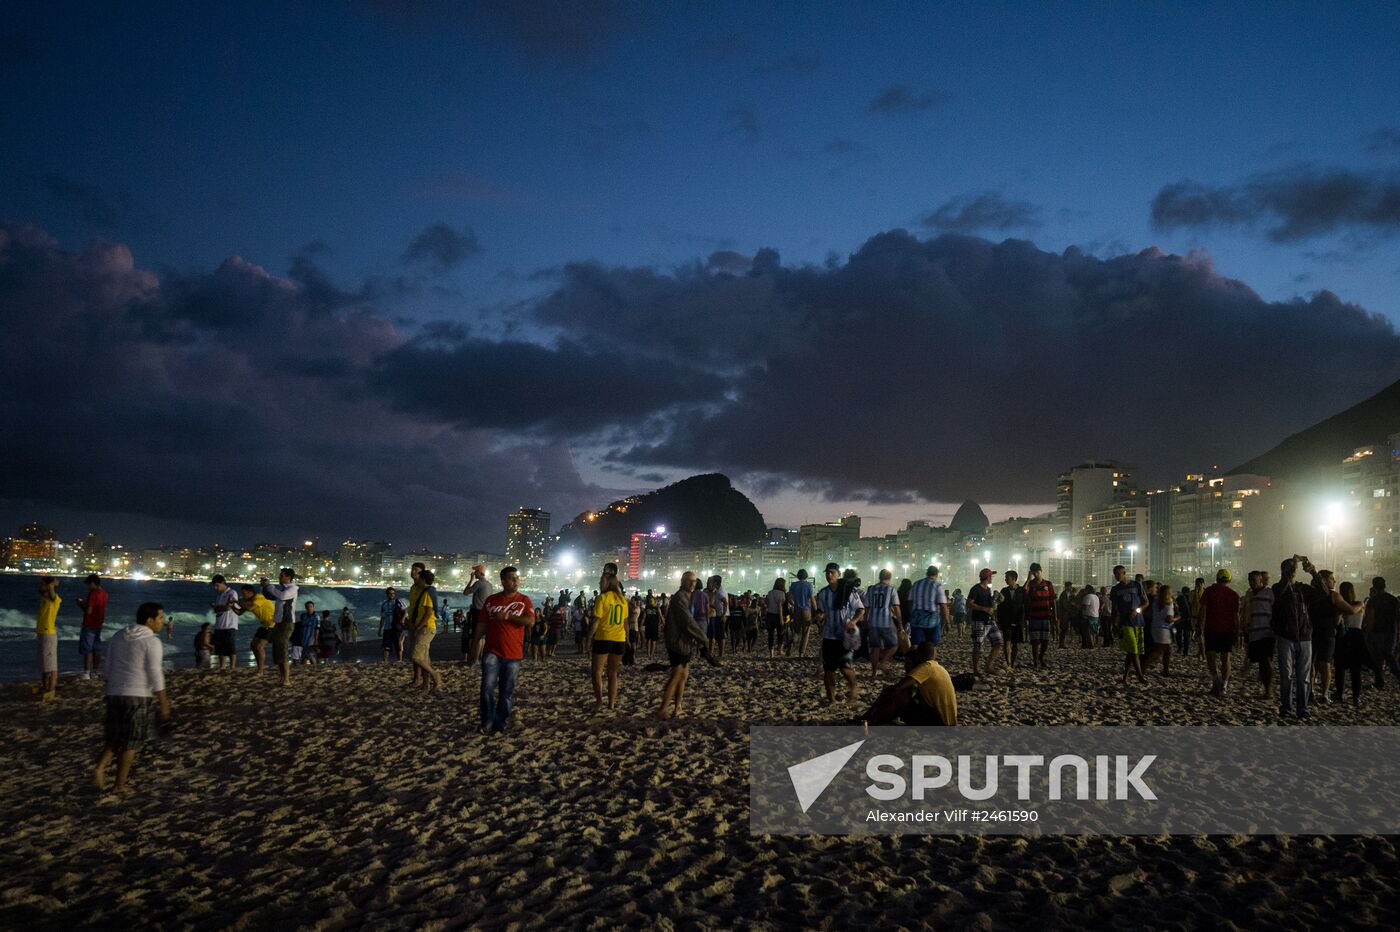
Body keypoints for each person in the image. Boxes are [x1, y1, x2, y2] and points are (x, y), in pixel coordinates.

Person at [93, 602, 171, 796]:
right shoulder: (152, 641)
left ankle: (100, 768)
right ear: (149, 620)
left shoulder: (119, 636)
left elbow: (108, 666)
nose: (162, 622)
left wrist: (112, 687)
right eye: (160, 618)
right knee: (131, 742)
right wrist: (163, 702)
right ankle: (119, 784)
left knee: (115, 736)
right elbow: (155, 672)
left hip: (114, 692)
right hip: (137, 694)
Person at [478, 566, 533, 735]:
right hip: (492, 651)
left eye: (517, 578)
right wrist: (474, 645)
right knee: (486, 688)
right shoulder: (491, 601)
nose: (516, 581)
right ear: (503, 582)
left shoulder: (524, 600)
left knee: (506, 692)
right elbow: (482, 624)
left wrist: (508, 616)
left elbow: (530, 621)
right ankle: (487, 722)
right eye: (512, 578)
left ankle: (499, 723)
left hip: (513, 654)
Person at [658, 571, 718, 720]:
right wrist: (703, 638)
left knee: (683, 674)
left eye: (695, 581)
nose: (693, 583)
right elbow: (687, 622)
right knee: (677, 674)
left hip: (684, 641)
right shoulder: (680, 598)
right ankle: (663, 708)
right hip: (677, 642)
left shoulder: (687, 597)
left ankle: (678, 707)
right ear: (683, 581)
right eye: (690, 581)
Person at [855, 642, 960, 726]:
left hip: (940, 722)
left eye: (907, 663)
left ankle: (870, 721)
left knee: (897, 695)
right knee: (902, 696)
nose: (905, 667)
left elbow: (899, 687)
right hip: (947, 720)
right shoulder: (937, 667)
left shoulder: (926, 668)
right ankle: (869, 718)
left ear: (919, 655)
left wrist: (884, 696)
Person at [1272, 556, 1314, 719]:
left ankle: (1303, 708)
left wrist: (1313, 571)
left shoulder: (1303, 589)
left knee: (1303, 677)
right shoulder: (1278, 587)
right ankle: (1286, 706)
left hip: (1304, 637)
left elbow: (1323, 593)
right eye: (1290, 568)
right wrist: (1288, 575)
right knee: (1286, 675)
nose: (1293, 571)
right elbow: (1280, 591)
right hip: (1286, 636)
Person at [816, 564, 865, 704]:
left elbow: (861, 609)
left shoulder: (848, 591)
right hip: (829, 635)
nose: (829, 575)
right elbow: (821, 611)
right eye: (827, 573)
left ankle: (854, 687)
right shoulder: (823, 593)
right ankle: (831, 700)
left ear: (838, 574)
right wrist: (819, 616)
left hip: (845, 636)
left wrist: (853, 622)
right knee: (828, 670)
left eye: (832, 572)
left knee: (845, 667)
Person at [1304, 558, 1349, 704]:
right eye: (1331, 579)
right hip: (1327, 633)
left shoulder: (1309, 594)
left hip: (1311, 632)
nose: (1334, 581)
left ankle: (1310, 692)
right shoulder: (1333, 595)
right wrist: (1359, 606)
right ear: (1323, 580)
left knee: (1311, 665)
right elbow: (1348, 610)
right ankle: (1324, 694)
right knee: (1325, 664)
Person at [588, 562, 632, 712]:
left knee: (596, 672)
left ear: (609, 583)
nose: (600, 582)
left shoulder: (602, 598)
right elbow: (626, 622)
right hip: (619, 640)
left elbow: (596, 621)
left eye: (602, 580)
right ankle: (611, 703)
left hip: (603, 638)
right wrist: (627, 640)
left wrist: (588, 637)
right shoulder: (622, 600)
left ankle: (599, 701)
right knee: (613, 673)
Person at [1199, 569, 1241, 697]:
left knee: (1210, 657)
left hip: (1211, 629)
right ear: (1228, 580)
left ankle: (1216, 680)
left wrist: (1199, 627)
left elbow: (1203, 611)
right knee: (1226, 658)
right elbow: (1236, 616)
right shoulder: (1234, 594)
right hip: (1228, 630)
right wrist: (1238, 632)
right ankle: (1224, 686)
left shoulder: (1208, 591)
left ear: (1217, 579)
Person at [1109, 565, 1148, 686]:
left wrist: (1137, 610)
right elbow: (1114, 608)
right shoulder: (1115, 589)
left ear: (1124, 573)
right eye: (1115, 574)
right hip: (1125, 623)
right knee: (1133, 650)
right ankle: (1140, 676)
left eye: (1118, 574)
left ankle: (1125, 677)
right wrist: (1114, 623)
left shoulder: (1136, 585)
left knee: (1131, 652)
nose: (1116, 576)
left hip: (1138, 621)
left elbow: (1146, 602)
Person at [261, 569, 299, 686]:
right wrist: (264, 586)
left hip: (286, 623)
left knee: (282, 649)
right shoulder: (282, 588)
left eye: (281, 575)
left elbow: (282, 596)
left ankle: (286, 679)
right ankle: (282, 678)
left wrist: (269, 586)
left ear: (288, 577)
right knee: (277, 650)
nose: (279, 577)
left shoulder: (292, 588)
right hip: (278, 622)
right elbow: (269, 596)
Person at [1332, 581, 1368, 706]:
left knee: (1340, 667)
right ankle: (1355, 696)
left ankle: (1340, 693)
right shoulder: (1360, 604)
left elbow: (1336, 622)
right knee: (1355, 669)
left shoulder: (1340, 606)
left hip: (1343, 635)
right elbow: (1363, 620)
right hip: (1356, 635)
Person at [1243, 571, 1276, 697]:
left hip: (1267, 632)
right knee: (1260, 663)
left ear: (1261, 580)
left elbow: (1275, 609)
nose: (1251, 583)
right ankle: (1266, 688)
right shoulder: (1250, 594)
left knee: (1265, 660)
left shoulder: (1269, 593)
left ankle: (1268, 690)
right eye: (1250, 580)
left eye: (1254, 580)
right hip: (1254, 633)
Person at [409, 569, 443, 690]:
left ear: (423, 579)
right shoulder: (427, 591)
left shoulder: (427, 593)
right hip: (426, 627)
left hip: (426, 628)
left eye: (419, 577)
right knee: (424, 657)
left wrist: (418, 628)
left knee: (416, 657)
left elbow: (428, 613)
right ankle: (426, 684)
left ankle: (435, 675)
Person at [907, 565, 951, 658]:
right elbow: (943, 605)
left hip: (917, 618)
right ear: (937, 574)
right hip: (932, 619)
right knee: (932, 644)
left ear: (927, 573)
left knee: (915, 644)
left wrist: (912, 613)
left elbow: (910, 601)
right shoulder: (937, 586)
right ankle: (930, 663)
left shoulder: (916, 584)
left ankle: (913, 663)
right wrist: (947, 622)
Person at [864, 569, 902, 675]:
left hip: (873, 622)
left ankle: (874, 672)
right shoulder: (891, 590)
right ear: (889, 578)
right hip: (886, 622)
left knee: (875, 647)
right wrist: (900, 623)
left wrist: (866, 621)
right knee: (894, 645)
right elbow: (897, 607)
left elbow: (866, 607)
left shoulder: (871, 589)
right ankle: (884, 662)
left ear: (879, 577)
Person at [966, 568, 1003, 675]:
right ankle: (976, 670)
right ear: (987, 577)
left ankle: (988, 666)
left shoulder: (988, 589)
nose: (992, 578)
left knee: (998, 642)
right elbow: (969, 603)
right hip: (979, 621)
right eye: (991, 576)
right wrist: (984, 609)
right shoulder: (976, 589)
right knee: (978, 646)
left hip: (990, 621)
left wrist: (996, 600)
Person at [1365, 577, 1400, 688]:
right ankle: (1397, 673)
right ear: (1385, 585)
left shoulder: (1373, 600)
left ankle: (1379, 681)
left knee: (1377, 657)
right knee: (1389, 654)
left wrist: (1367, 632)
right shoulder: (1394, 600)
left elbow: (1371, 617)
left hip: (1377, 631)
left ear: (1374, 585)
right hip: (1391, 631)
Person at [237, 584, 276, 674]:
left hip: (273, 624)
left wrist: (238, 601)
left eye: (244, 593)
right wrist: (231, 605)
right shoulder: (249, 601)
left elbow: (250, 608)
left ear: (250, 592)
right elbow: (239, 613)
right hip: (264, 625)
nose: (243, 596)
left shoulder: (259, 598)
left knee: (259, 646)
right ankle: (260, 668)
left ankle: (260, 670)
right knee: (253, 645)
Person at [1024, 564, 1056, 669]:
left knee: (1045, 641)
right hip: (1034, 617)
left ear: (1041, 571)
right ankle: (1035, 660)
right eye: (1034, 572)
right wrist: (1028, 579)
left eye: (1037, 572)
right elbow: (1024, 592)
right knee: (1035, 641)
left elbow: (1052, 600)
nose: (1036, 574)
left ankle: (1041, 657)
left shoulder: (1048, 584)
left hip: (1046, 616)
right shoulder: (1031, 585)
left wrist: (1055, 616)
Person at [77, 574, 108, 680]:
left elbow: (89, 611)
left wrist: (80, 605)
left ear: (92, 583)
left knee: (87, 649)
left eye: (88, 585)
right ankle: (95, 672)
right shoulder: (104, 593)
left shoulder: (93, 593)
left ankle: (86, 672)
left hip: (89, 624)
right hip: (98, 624)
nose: (88, 587)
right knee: (96, 649)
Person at [463, 564, 494, 665]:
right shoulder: (489, 584)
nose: (474, 573)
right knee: (482, 637)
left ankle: (475, 659)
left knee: (476, 637)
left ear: (480, 573)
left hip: (477, 612)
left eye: (475, 572)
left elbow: (465, 592)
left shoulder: (478, 583)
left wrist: (471, 580)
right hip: (486, 612)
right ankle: (478, 658)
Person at [35, 575, 60, 700]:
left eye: (41, 584)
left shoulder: (53, 599)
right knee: (44, 663)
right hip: (41, 633)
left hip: (48, 634)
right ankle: (45, 686)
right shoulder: (44, 598)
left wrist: (53, 584)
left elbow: (52, 590)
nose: (39, 586)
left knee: (51, 664)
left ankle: (51, 689)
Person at [997, 570, 1028, 669]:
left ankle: (1013, 662)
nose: (1005, 580)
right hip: (1006, 620)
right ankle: (1008, 663)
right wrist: (999, 621)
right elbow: (1000, 607)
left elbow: (1026, 605)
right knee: (1007, 642)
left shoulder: (1022, 591)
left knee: (1016, 645)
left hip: (1018, 620)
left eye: (1007, 578)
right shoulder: (1004, 591)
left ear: (1014, 579)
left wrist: (1026, 619)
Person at [210, 574, 239, 672]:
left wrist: (217, 607)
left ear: (223, 583)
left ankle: (232, 667)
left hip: (229, 624)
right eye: (214, 586)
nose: (216, 588)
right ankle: (222, 666)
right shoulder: (219, 596)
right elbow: (219, 609)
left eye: (217, 585)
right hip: (219, 624)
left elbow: (228, 607)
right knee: (219, 648)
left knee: (230, 646)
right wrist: (217, 608)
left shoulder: (232, 592)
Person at [1147, 584, 1176, 675]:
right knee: (1160, 651)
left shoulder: (1156, 601)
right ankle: (1143, 666)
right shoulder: (1168, 602)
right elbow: (1169, 618)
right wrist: (1177, 618)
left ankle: (1165, 670)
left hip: (1156, 627)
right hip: (1163, 628)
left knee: (1166, 650)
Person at [786, 568, 815, 656]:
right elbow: (812, 599)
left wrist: (793, 604)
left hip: (796, 610)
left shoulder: (793, 585)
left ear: (798, 576)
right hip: (806, 610)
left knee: (797, 631)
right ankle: (801, 653)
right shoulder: (809, 585)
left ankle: (792, 643)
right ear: (806, 576)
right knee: (805, 632)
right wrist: (816, 609)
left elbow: (789, 597)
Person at [379, 586, 406, 662]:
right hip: (387, 628)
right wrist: (380, 629)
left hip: (397, 627)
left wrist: (403, 620)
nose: (391, 595)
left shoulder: (399, 602)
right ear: (387, 594)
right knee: (386, 645)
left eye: (393, 593)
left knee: (398, 645)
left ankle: (399, 660)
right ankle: (385, 661)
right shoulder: (384, 604)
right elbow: (382, 617)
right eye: (390, 593)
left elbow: (405, 611)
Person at [764, 578, 787, 658]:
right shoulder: (782, 593)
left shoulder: (770, 593)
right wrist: (781, 619)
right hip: (777, 615)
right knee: (780, 633)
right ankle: (780, 650)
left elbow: (767, 603)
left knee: (771, 634)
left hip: (770, 615)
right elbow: (780, 606)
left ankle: (771, 653)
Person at [1079, 584, 1101, 649]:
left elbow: (1085, 607)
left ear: (1087, 590)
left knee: (1088, 632)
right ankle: (1092, 644)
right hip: (1096, 615)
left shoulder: (1087, 596)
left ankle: (1091, 645)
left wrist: (1078, 606)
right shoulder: (1096, 597)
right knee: (1093, 631)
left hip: (1088, 616)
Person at [1055, 580, 1075, 649]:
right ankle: (1061, 643)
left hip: (1066, 614)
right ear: (1067, 587)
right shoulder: (1063, 594)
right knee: (1063, 629)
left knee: (1065, 629)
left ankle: (1062, 643)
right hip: (1064, 614)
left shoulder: (1068, 594)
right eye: (1070, 586)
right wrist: (1071, 605)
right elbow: (1064, 605)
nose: (1071, 588)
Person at [642, 593, 663, 658]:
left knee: (650, 641)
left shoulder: (649, 608)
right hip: (652, 626)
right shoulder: (656, 608)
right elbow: (661, 617)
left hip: (651, 626)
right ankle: (650, 654)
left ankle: (650, 654)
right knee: (651, 641)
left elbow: (644, 617)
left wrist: (641, 625)